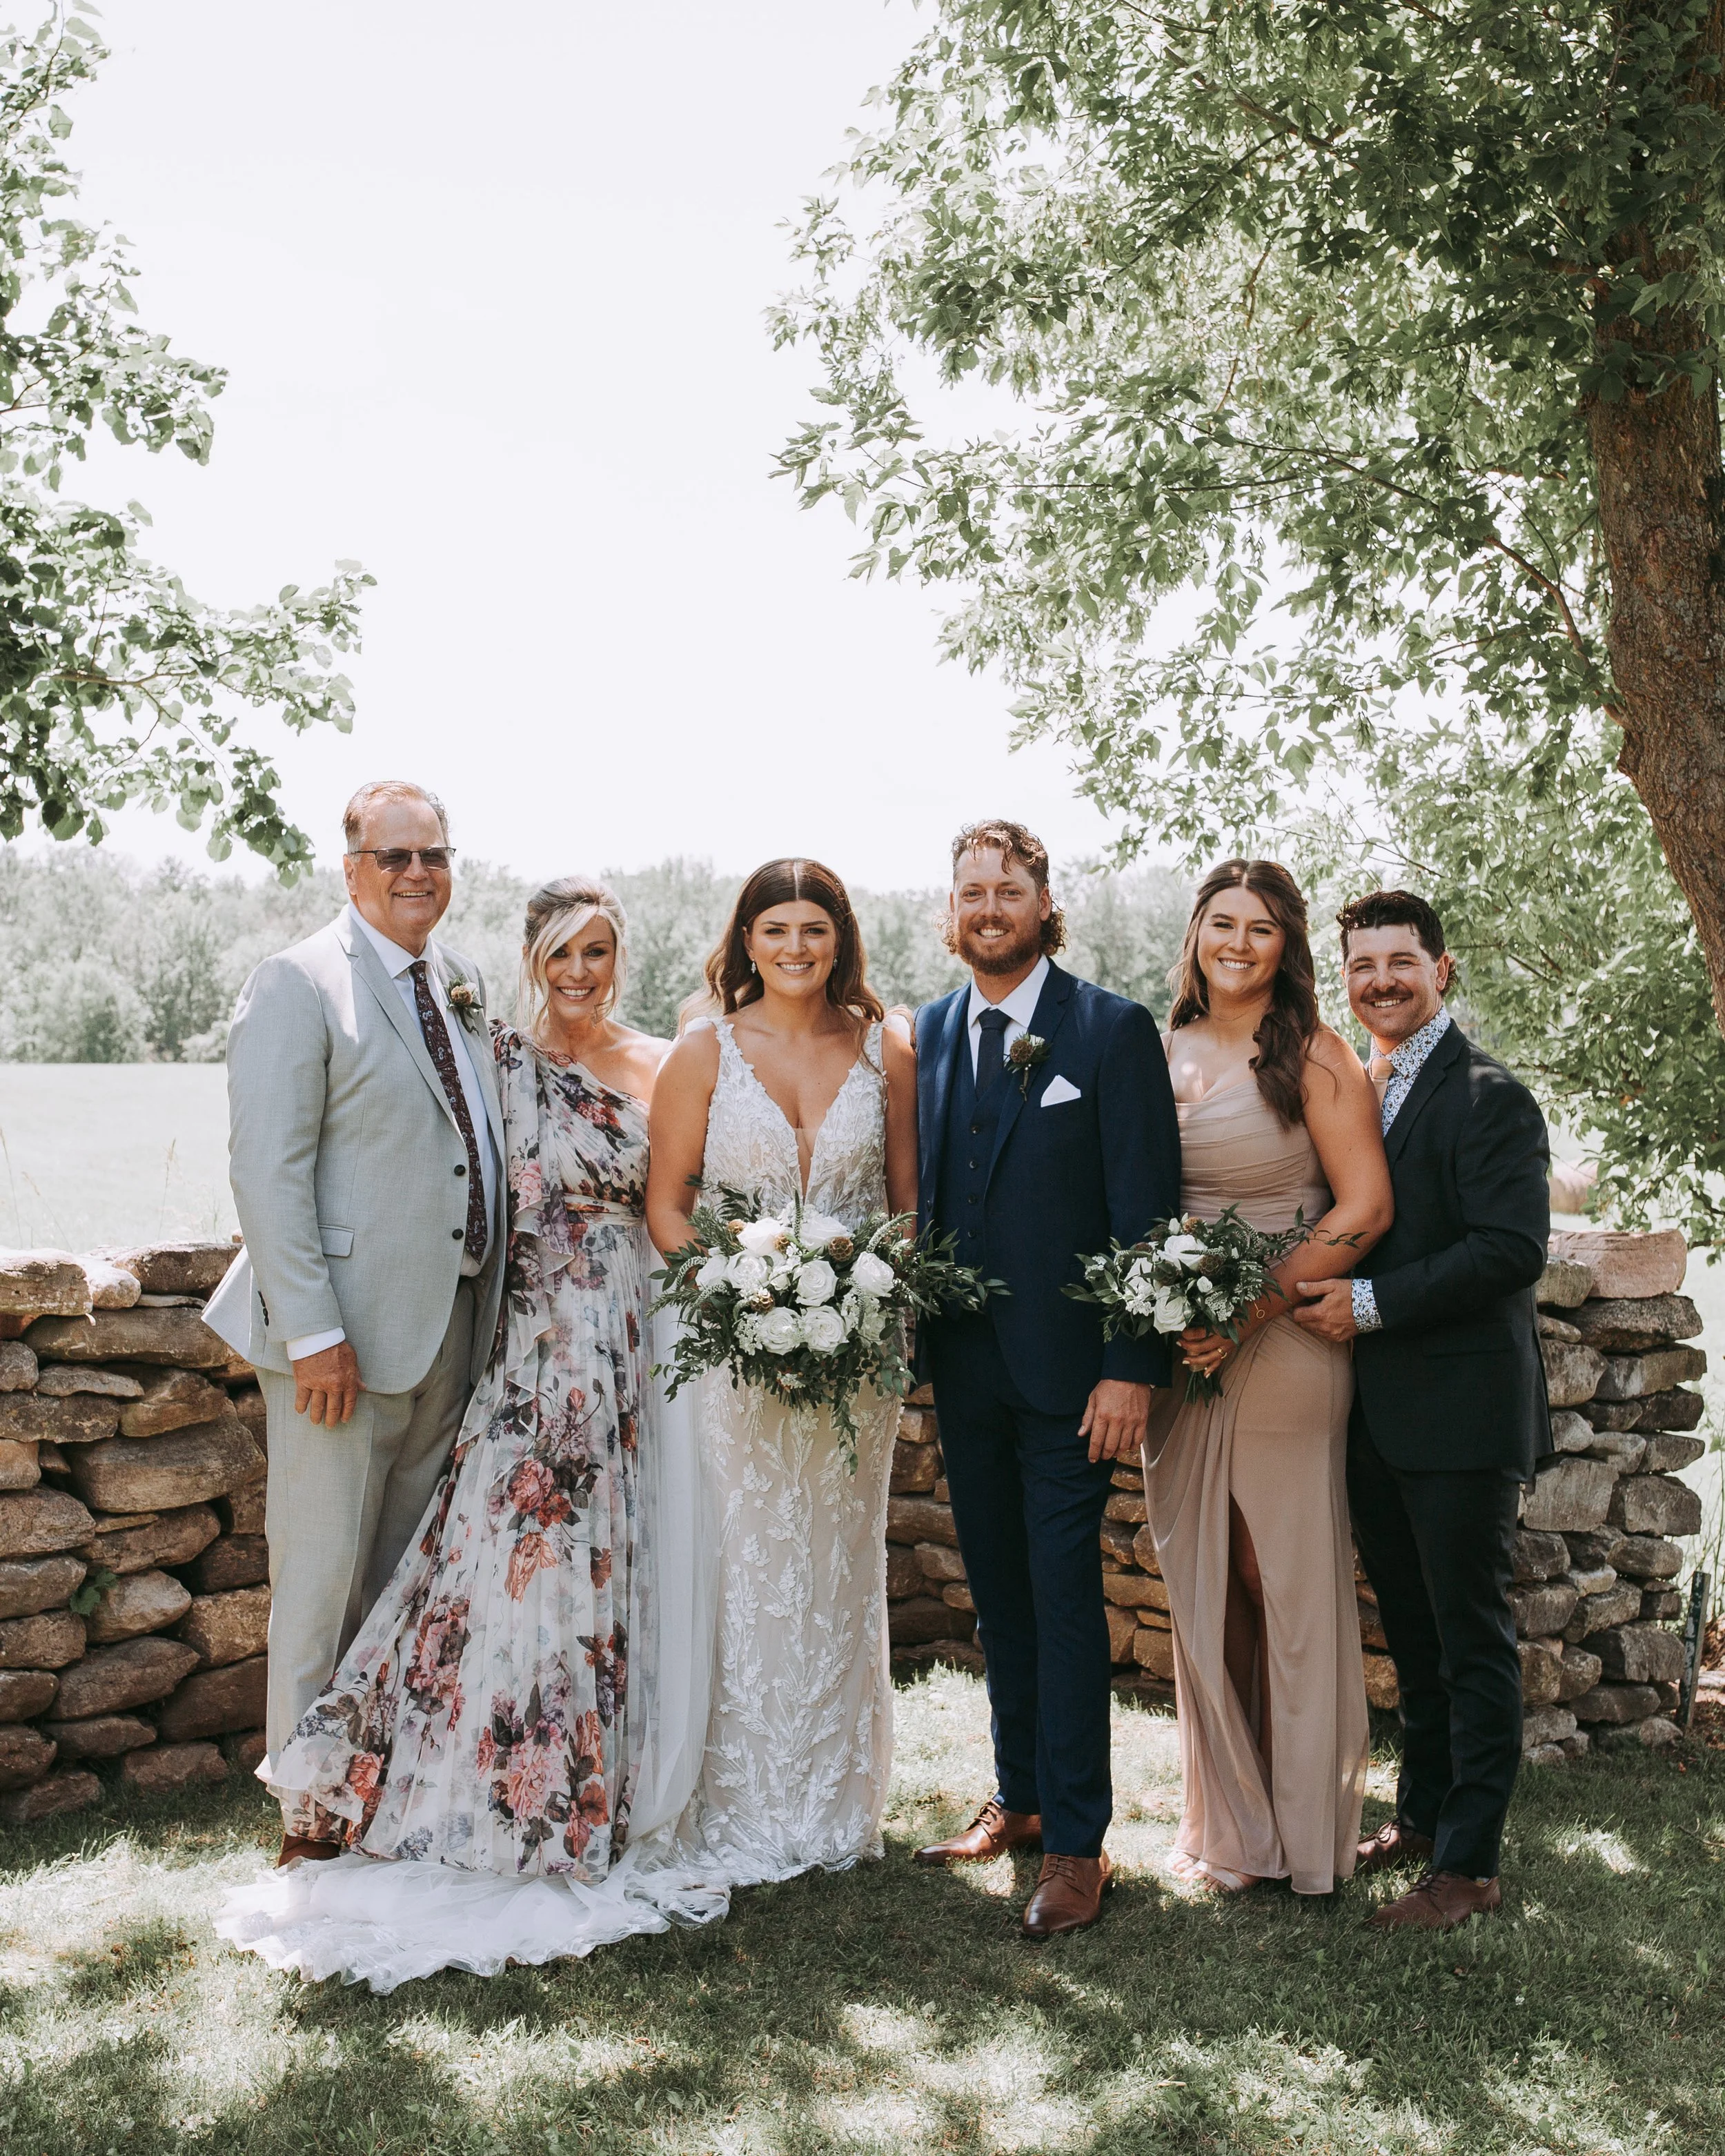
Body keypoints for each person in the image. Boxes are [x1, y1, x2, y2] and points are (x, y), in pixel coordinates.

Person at [217, 876, 727, 1987]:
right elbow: (410, 1165)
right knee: (483, 1566)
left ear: (619, 957)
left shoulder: (662, 1062)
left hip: (620, 1352)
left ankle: (577, 1786)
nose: (580, 972)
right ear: (532, 958)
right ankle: (388, 1788)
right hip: (513, 1342)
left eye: (598, 951)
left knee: (589, 1571)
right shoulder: (485, 1052)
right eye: (561, 953)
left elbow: (682, 1204)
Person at [204, 781, 506, 1864]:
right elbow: (267, 1171)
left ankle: (376, 1785)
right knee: (324, 1576)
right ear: (352, 867)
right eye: (395, 857)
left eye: (434, 854)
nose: (418, 874)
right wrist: (311, 1334)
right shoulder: (297, 982)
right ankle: (303, 1804)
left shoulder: (461, 980)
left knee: (402, 1574)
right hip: (337, 1346)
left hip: (448, 1330)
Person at [911, 821, 1182, 1938]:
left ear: (1042, 901)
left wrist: (1131, 1366)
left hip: (1075, 1379)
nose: (988, 907)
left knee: (1067, 1608)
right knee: (998, 1598)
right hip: (963, 1372)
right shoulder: (927, 1031)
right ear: (953, 907)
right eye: (971, 890)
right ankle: (1017, 1801)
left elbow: (1146, 1213)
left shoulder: (1110, 1031)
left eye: (1007, 890)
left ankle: (1077, 1846)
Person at [645, 857, 918, 1886]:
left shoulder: (885, 1048)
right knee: (743, 1561)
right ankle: (740, 1799)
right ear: (746, 942)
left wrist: (867, 1303)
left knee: (839, 1565)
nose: (796, 949)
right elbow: (668, 1205)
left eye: (815, 930)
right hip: (735, 1346)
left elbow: (903, 1208)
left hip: (859, 1353)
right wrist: (733, 1300)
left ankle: (836, 1803)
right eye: (776, 931)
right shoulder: (702, 1051)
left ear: (839, 938)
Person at [1294, 889, 1549, 1932]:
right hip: (1380, 1416)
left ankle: (1471, 1864)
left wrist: (1369, 1302)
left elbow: (1510, 1249)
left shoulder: (1490, 1094)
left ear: (1442, 970)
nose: (1382, 982)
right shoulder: (1366, 1083)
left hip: (1462, 1411)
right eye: (1363, 967)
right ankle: (1424, 1815)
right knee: (1412, 1631)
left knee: (1471, 1638)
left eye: (1401, 962)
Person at [1143, 862, 1392, 1897]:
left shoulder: (1314, 1055)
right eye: (1220, 923)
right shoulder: (1154, 1052)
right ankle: (1232, 1825)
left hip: (1284, 1337)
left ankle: (1305, 1834)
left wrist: (1251, 1307)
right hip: (1180, 1350)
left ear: (1284, 947)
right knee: (1205, 1580)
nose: (1237, 943)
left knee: (1277, 1578)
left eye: (1260, 928)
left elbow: (1364, 1210)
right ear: (1195, 933)